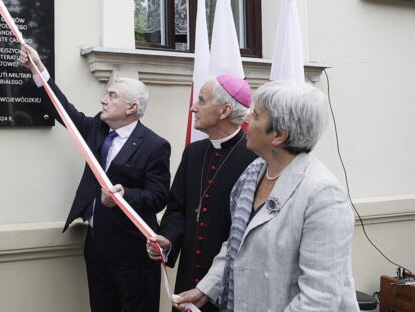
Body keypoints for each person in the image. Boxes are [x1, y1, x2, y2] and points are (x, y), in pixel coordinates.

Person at [173, 80, 358, 311]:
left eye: (256, 115)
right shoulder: (252, 174)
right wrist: (205, 289)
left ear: (279, 135)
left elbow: (319, 298)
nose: (246, 119)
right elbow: (235, 245)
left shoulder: (323, 195)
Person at [20, 45, 171, 312]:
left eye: (112, 96)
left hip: (132, 252)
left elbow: (158, 197)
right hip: (97, 247)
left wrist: (125, 197)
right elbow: (62, 110)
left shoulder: (154, 145)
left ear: (131, 107)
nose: (104, 100)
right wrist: (38, 69)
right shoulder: (96, 129)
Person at [146, 76, 257, 311]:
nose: (193, 107)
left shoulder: (254, 158)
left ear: (225, 110)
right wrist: (168, 240)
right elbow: (177, 208)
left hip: (231, 282)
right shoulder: (194, 152)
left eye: (201, 100)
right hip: (189, 275)